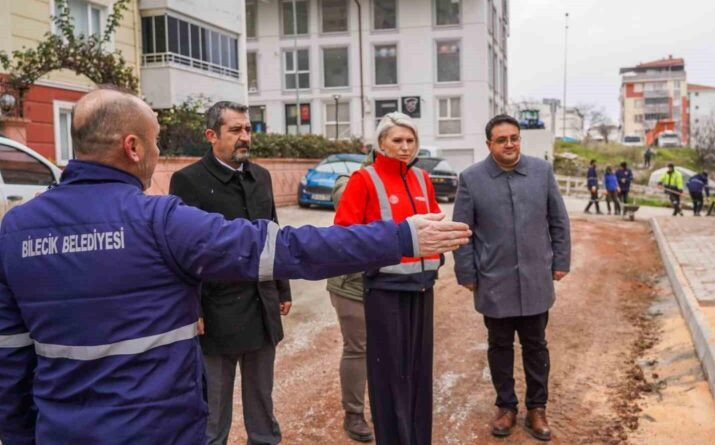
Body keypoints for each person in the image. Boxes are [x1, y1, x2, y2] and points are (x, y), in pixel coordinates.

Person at [0, 88, 471, 445]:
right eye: (156, 141)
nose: (160, 152)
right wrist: (402, 236)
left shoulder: (16, 230)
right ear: (133, 147)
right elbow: (288, 248)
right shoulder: (158, 219)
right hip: (159, 428)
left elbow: (10, 360)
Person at [169, 101, 290, 445]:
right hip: (216, 314)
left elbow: (273, 234)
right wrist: (193, 308)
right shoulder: (188, 181)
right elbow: (182, 252)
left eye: (248, 129)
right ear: (211, 136)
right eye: (235, 130)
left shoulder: (261, 176)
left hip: (261, 307)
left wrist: (283, 288)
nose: (245, 137)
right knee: (212, 413)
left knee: (262, 404)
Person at [453, 114, 571, 442]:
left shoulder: (541, 172)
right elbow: (463, 232)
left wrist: (561, 261)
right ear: (489, 144)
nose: (510, 144)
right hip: (494, 280)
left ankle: (537, 409)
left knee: (536, 345)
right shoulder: (472, 179)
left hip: (536, 278)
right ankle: (506, 407)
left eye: (514, 138)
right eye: (502, 140)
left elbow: (558, 221)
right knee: (499, 345)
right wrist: (466, 272)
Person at [335, 112, 441, 445]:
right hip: (384, 290)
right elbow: (344, 234)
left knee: (419, 374)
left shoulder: (423, 179)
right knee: (390, 376)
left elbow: (435, 225)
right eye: (397, 140)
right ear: (382, 144)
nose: (404, 147)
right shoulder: (364, 179)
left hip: (423, 288)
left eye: (410, 140)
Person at [325, 150, 376, 443]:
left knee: (389, 349)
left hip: (390, 282)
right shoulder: (350, 180)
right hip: (351, 284)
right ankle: (353, 414)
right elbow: (347, 200)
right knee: (358, 348)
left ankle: (386, 407)